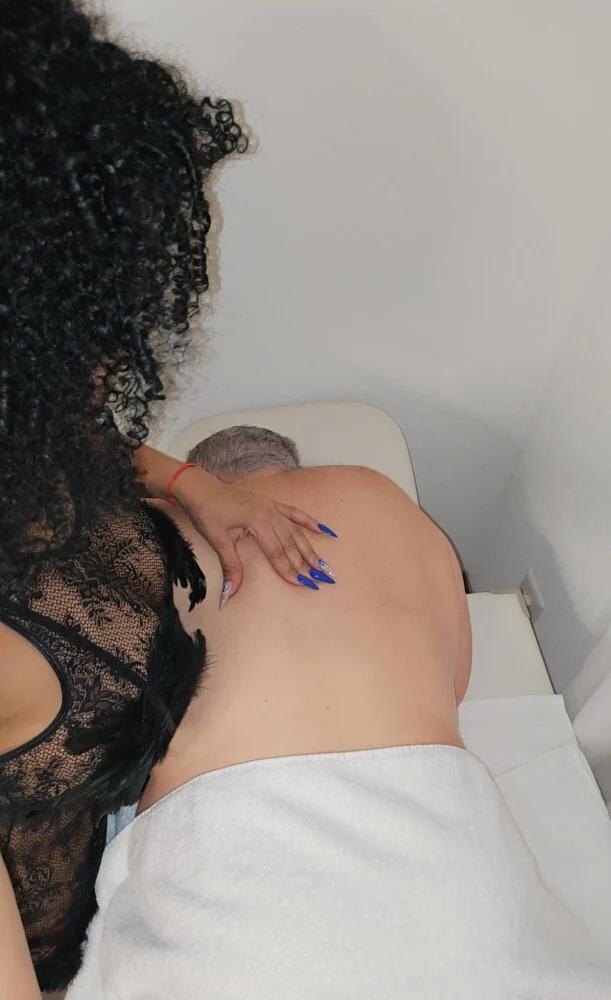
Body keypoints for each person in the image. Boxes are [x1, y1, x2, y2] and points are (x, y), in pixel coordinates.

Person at [0, 5, 329, 995]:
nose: (115, 356)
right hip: (65, 933)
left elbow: (64, 433)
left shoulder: (30, 417)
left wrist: (196, 484)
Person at [67, 427, 611, 999]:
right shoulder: (382, 495)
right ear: (292, 466)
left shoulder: (147, 529)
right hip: (448, 854)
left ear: (195, 477)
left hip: (232, 841)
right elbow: (454, 683)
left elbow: (102, 709)